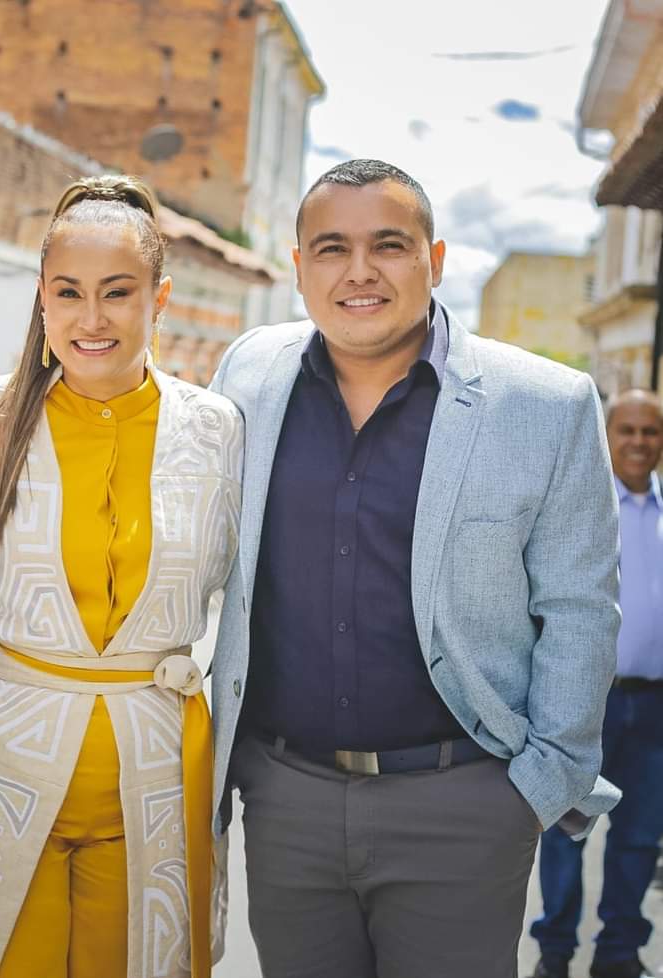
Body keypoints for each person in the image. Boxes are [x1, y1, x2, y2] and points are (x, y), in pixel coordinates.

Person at [208, 158, 622, 978]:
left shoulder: (547, 405)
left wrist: (535, 789)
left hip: (464, 805)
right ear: (299, 267)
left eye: (388, 246)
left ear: (434, 261)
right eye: (332, 248)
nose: (358, 271)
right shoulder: (250, 374)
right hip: (286, 801)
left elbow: (581, 609)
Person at [0, 175, 243, 978]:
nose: (92, 319)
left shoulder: (217, 430)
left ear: (159, 298)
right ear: (42, 297)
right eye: (68, 292)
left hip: (153, 782)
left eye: (117, 292)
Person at [529, 389, 663, 978]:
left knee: (640, 836)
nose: (638, 441)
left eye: (650, 431)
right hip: (586, 700)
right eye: (627, 429)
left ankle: (619, 953)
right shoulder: (582, 506)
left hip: (655, 706)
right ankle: (555, 951)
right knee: (566, 830)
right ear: (607, 437)